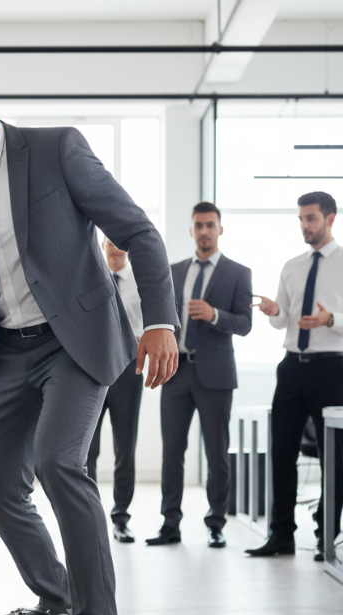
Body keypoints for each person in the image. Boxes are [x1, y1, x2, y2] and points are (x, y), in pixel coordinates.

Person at [0, 53, 179, 615]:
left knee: (59, 463)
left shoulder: (56, 150)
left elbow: (139, 233)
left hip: (73, 345)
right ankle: (57, 597)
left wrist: (160, 321)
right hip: (6, 355)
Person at [146, 202, 252, 549]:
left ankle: (216, 523)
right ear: (191, 230)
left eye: (210, 225)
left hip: (216, 375)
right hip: (175, 372)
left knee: (217, 453)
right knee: (172, 453)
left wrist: (214, 315)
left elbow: (245, 324)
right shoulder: (173, 271)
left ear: (220, 229)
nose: (204, 231)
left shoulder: (239, 272)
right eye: (198, 225)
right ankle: (170, 524)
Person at [246, 191, 343, 560]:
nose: (305, 225)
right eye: (301, 219)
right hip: (291, 368)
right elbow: (281, 320)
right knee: (281, 452)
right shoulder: (292, 265)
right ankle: (281, 535)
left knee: (333, 457)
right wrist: (273, 310)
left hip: (332, 367)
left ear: (330, 218)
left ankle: (326, 536)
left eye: (311, 218)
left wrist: (329, 319)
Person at [86, 237, 144, 544]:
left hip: (128, 371)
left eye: (121, 243)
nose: (116, 249)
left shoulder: (141, 282)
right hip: (91, 371)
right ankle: (90, 516)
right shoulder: (90, 278)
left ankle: (121, 518)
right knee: (86, 450)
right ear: (103, 245)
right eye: (111, 243)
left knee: (125, 448)